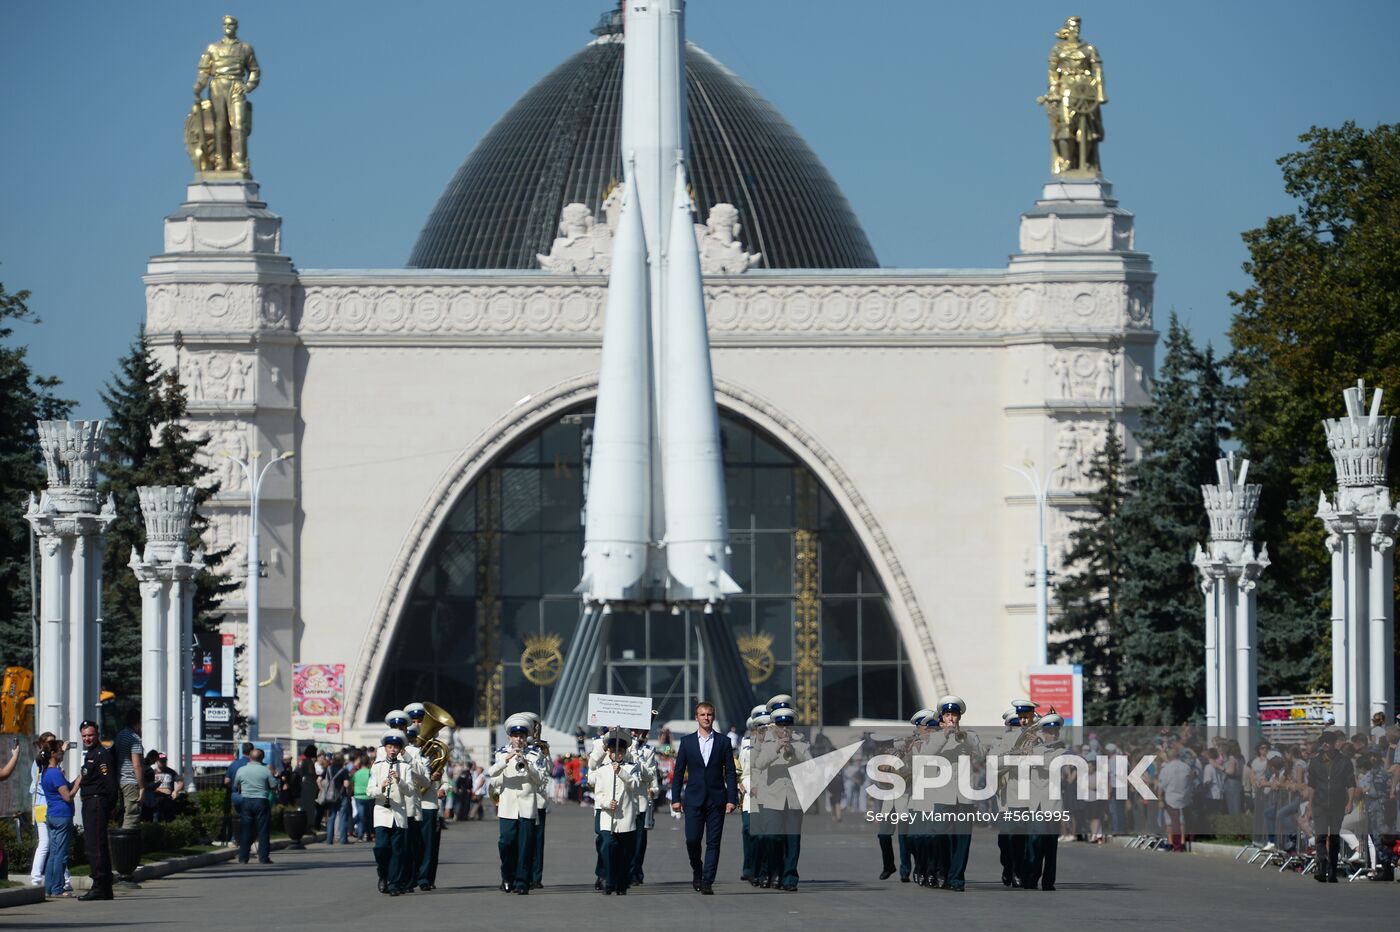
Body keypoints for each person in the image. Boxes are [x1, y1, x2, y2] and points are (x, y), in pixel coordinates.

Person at [670, 700, 738, 895]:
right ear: (696, 717)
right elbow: (679, 771)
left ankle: (707, 881)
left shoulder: (724, 742)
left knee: (713, 842)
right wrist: (676, 798)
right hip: (693, 799)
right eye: (702, 715)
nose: (706, 718)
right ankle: (697, 870)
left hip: (717, 799)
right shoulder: (687, 742)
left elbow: (731, 773)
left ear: (713, 717)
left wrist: (732, 799)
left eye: (709, 714)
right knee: (692, 839)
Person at [922, 695, 983, 892]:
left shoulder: (970, 736)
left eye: (954, 715)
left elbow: (982, 755)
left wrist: (969, 741)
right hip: (943, 795)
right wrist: (945, 735)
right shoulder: (935, 737)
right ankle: (944, 871)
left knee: (962, 840)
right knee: (940, 836)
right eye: (947, 715)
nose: (951, 719)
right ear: (942, 718)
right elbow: (925, 756)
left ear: (959, 717)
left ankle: (956, 879)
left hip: (964, 796)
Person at [752, 698, 809, 891]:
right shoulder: (766, 742)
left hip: (793, 798)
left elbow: (809, 764)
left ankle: (790, 878)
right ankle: (775, 869)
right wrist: (776, 749)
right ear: (774, 726)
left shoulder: (801, 743)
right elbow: (758, 764)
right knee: (772, 837)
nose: (784, 729)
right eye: (780, 725)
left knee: (793, 840)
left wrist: (793, 751)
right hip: (772, 798)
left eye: (787, 725)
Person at [192, 15, 260, 174]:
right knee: (220, 126)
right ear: (223, 27)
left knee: (238, 125)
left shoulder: (245, 48)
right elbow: (203, 71)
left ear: (236, 26)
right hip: (217, 86)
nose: (228, 27)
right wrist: (199, 86)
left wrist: (248, 86)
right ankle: (220, 161)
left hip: (236, 84)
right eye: (225, 24)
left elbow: (254, 70)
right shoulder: (212, 48)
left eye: (231, 24)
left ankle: (239, 162)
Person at [490, 715, 544, 894]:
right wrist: (506, 759)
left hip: (527, 806)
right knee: (505, 843)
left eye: (522, 736)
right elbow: (492, 773)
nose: (519, 739)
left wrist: (528, 766)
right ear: (509, 737)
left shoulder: (536, 754)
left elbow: (540, 780)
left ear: (526, 737)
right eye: (515, 736)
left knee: (525, 845)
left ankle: (522, 882)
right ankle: (507, 875)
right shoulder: (500, 753)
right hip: (508, 806)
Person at [372, 729, 427, 895]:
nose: (393, 749)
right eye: (390, 746)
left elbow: (410, 791)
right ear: (385, 748)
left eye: (396, 747)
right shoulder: (377, 766)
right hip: (382, 812)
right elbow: (369, 791)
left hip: (399, 813)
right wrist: (381, 787)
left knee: (397, 850)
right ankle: (383, 874)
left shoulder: (404, 767)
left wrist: (399, 780)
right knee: (381, 847)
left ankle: (394, 884)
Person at [590, 728, 642, 894]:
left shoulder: (632, 767)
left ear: (625, 751)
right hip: (607, 817)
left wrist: (621, 773)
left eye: (620, 750)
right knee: (607, 847)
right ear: (609, 752)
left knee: (625, 853)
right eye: (614, 750)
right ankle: (610, 881)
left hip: (625, 817)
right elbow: (597, 795)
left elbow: (634, 785)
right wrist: (606, 803)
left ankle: (622, 883)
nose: (617, 753)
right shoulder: (602, 770)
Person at [1022, 713, 1068, 891]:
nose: (1053, 735)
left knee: (1050, 845)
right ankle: (1031, 878)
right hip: (1035, 804)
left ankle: (1048, 881)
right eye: (1049, 732)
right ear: (1043, 732)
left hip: (1052, 804)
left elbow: (1049, 763)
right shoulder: (1035, 748)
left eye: (1055, 732)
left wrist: (1034, 748)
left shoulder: (1061, 751)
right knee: (1034, 843)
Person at [76, 720, 118, 900]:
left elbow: (109, 784)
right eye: (84, 735)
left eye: (90, 735)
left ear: (97, 734)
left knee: (95, 845)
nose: (87, 738)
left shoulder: (101, 754)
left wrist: (109, 805)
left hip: (97, 803)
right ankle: (105, 886)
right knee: (96, 843)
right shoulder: (91, 754)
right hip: (91, 803)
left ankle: (100, 885)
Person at [1307, 730, 1356, 883]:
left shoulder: (1344, 762)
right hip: (1319, 804)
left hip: (1337, 805)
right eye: (1323, 741)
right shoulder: (1315, 762)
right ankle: (1322, 868)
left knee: (1334, 839)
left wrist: (1349, 802)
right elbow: (1311, 786)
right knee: (1320, 836)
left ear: (1335, 743)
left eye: (1328, 741)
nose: (1325, 744)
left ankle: (1332, 871)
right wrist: (1309, 804)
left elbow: (1351, 784)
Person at [27, 733, 71, 891]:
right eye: (51, 744)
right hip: (46, 807)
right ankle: (37, 879)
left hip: (49, 807)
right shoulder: (40, 764)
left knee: (55, 846)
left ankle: (64, 880)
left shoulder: (48, 764)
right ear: (43, 747)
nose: (56, 747)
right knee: (47, 845)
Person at [39, 737, 79, 899]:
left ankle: (49, 887)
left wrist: (76, 780)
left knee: (53, 853)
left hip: (52, 815)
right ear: (53, 754)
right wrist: (79, 783)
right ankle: (57, 888)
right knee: (60, 854)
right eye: (60, 751)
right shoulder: (55, 773)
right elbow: (68, 796)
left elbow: (64, 787)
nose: (63, 752)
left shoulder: (47, 772)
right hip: (62, 815)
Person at [234, 747, 277, 864]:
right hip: (261, 800)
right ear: (262, 758)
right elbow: (273, 786)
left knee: (245, 830)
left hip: (246, 801)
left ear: (249, 757)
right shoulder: (265, 771)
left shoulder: (241, 770)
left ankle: (243, 857)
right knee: (263, 830)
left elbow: (236, 784)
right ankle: (263, 857)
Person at [113, 710, 145, 828]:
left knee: (123, 813)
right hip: (131, 781)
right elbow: (137, 765)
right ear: (138, 722)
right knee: (132, 815)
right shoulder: (134, 739)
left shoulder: (120, 735)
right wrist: (142, 787)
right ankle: (127, 844)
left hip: (120, 780)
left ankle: (119, 842)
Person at [224, 741, 253, 843]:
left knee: (237, 818)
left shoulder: (234, 764)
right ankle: (247, 839)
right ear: (252, 751)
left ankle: (235, 838)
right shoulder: (254, 764)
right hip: (250, 795)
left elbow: (226, 781)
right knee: (250, 818)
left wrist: (233, 787)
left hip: (236, 795)